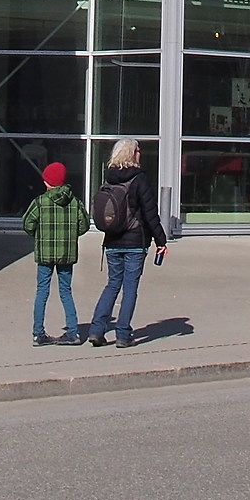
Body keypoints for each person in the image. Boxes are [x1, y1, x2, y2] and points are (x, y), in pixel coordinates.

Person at [85, 138, 168, 348]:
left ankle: (96, 330)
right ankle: (123, 334)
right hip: (134, 242)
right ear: (132, 154)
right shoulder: (139, 179)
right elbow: (150, 214)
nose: (141, 153)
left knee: (112, 285)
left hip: (112, 240)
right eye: (138, 150)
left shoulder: (109, 178)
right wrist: (161, 240)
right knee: (130, 288)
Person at [21, 161, 90, 345]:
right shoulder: (75, 202)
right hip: (67, 254)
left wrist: (39, 235)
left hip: (44, 254)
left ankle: (38, 333)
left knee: (42, 291)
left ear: (47, 182)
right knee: (66, 291)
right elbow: (83, 225)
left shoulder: (40, 202)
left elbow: (27, 224)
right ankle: (73, 332)